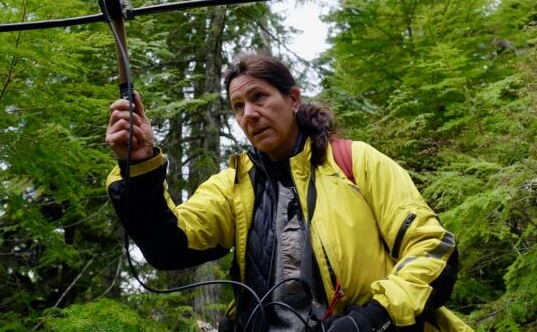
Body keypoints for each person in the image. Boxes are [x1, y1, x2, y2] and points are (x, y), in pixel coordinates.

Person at [105, 54, 472, 331]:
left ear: (293, 99)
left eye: (259, 97)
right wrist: (139, 168)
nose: (249, 114)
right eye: (238, 106)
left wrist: (366, 322)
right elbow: (170, 244)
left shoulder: (354, 162)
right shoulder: (233, 186)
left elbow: (433, 250)